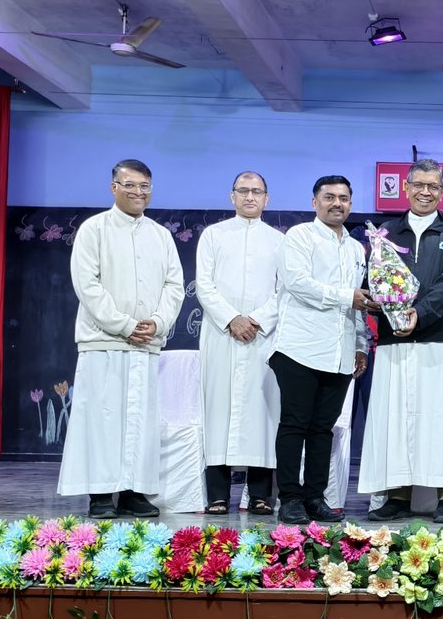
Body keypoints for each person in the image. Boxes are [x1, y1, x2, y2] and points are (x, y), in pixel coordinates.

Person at [58, 159, 184, 519]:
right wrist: (125, 325)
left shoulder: (160, 235)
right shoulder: (94, 229)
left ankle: (133, 492)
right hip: (104, 341)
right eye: (130, 185)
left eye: (144, 186)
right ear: (114, 187)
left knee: (140, 422)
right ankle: (100, 493)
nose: (138, 192)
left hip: (146, 344)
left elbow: (174, 285)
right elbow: (87, 285)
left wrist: (158, 322)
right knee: (102, 420)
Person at [360, 159, 443, 524]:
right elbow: (374, 279)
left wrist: (419, 313)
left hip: (439, 339)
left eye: (433, 186)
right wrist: (385, 308)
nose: (425, 192)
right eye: (419, 185)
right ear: (406, 188)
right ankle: (396, 495)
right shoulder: (385, 232)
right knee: (396, 418)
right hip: (394, 339)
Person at [271, 175, 372, 525]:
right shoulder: (299, 236)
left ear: (351, 204)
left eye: (343, 198)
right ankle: (289, 498)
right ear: (314, 202)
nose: (336, 203)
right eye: (329, 197)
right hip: (299, 347)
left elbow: (359, 303)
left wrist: (360, 344)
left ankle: (315, 497)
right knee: (294, 425)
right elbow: (297, 283)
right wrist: (346, 297)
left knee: (322, 429)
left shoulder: (356, 248)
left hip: (340, 352)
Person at [194, 171, 283, 516]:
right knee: (218, 412)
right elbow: (204, 285)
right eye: (243, 191)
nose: (250, 197)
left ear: (266, 199)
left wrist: (256, 320)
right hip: (221, 335)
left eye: (256, 191)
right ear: (232, 196)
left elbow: (284, 290)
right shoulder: (213, 235)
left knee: (262, 413)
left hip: (262, 337)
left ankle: (260, 495)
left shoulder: (279, 241)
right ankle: (217, 495)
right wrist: (232, 318)